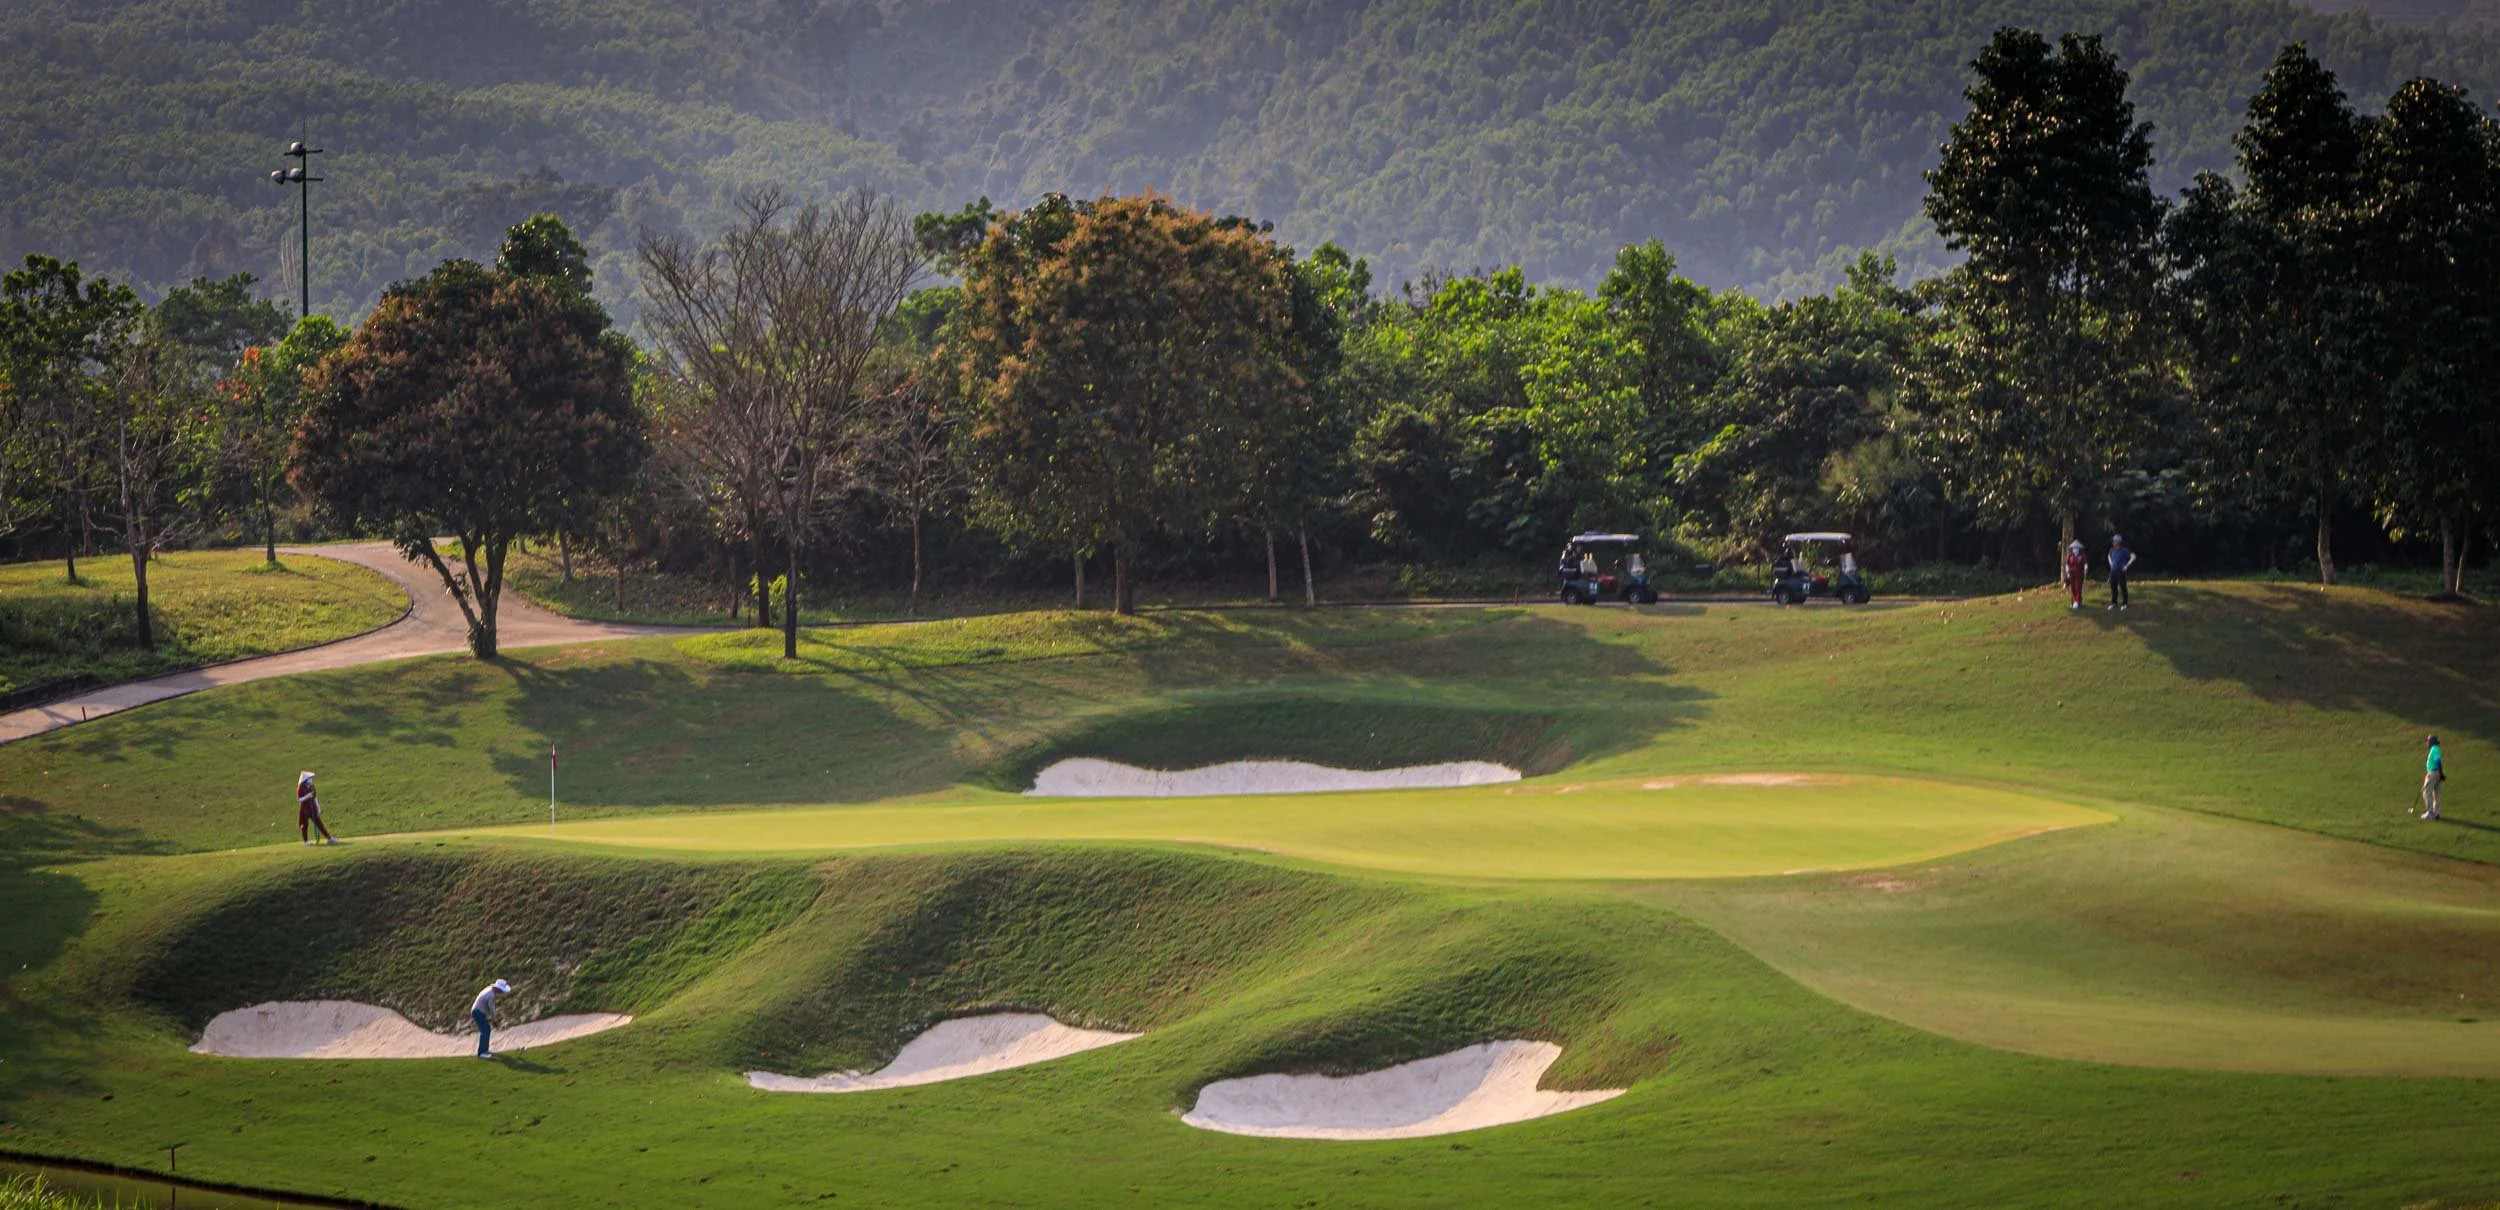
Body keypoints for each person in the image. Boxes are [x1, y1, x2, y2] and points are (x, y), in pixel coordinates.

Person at [471, 979, 511, 1058]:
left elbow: (488, 1008)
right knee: (485, 1031)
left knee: (487, 1029)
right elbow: (492, 1010)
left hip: (478, 1012)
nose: (502, 992)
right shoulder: (491, 995)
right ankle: (481, 1053)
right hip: (477, 1012)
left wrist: (493, 1020)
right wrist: (494, 1021)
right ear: (498, 989)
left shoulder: (489, 989)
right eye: (501, 990)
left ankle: (485, 1049)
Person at [296, 771, 335, 845]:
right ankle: (306, 841)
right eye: (310, 778)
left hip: (312, 807)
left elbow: (315, 797)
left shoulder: (311, 786)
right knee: (304, 824)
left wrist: (318, 807)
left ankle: (329, 837)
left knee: (318, 822)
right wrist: (307, 796)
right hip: (304, 808)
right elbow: (299, 799)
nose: (311, 780)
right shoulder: (301, 788)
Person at [2106, 535, 2135, 611]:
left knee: (2123, 587)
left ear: (2118, 542)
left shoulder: (2124, 550)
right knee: (2113, 587)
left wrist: (2127, 566)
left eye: (2114, 541)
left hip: (2121, 571)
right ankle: (2114, 603)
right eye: (2113, 541)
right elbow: (2109, 556)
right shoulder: (2111, 550)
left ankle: (2125, 603)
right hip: (2113, 571)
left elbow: (2133, 556)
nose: (2113, 542)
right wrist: (2111, 563)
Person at [2421, 734, 2445, 821]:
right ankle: (2437, 813)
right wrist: (2441, 774)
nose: (2427, 743)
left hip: (2433, 773)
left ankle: (2430, 812)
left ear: (2431, 742)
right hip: (2437, 772)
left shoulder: (2434, 749)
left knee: (2426, 792)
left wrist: (2440, 773)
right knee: (2436, 793)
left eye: (2428, 741)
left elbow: (2437, 761)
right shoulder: (2436, 749)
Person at [2062, 540, 2088, 611]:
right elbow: (2067, 564)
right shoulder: (2070, 555)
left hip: (2079, 574)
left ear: (2079, 548)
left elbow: (2085, 563)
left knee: (2078, 587)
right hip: (2071, 574)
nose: (2075, 549)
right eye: (2074, 548)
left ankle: (2077, 601)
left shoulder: (2082, 555)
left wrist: (2086, 567)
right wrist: (2067, 571)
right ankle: (2074, 600)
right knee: (2072, 587)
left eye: (2077, 548)